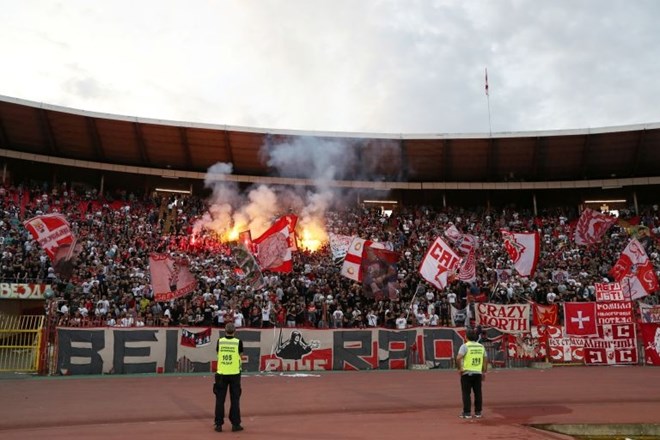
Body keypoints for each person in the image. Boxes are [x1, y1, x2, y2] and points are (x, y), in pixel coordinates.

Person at [213, 323, 244, 432]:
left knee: (220, 400)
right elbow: (240, 355)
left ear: (225, 330)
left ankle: (218, 424)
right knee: (235, 400)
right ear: (234, 331)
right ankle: (235, 424)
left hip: (221, 373)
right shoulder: (238, 342)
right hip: (234, 373)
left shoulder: (220, 341)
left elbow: (218, 353)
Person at [456, 329, 488, 419]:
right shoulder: (481, 347)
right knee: (478, 393)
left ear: (466, 337)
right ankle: (478, 412)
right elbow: (485, 360)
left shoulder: (465, 346)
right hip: (478, 372)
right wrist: (484, 372)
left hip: (466, 373)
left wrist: (459, 369)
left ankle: (467, 412)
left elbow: (458, 358)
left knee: (466, 393)